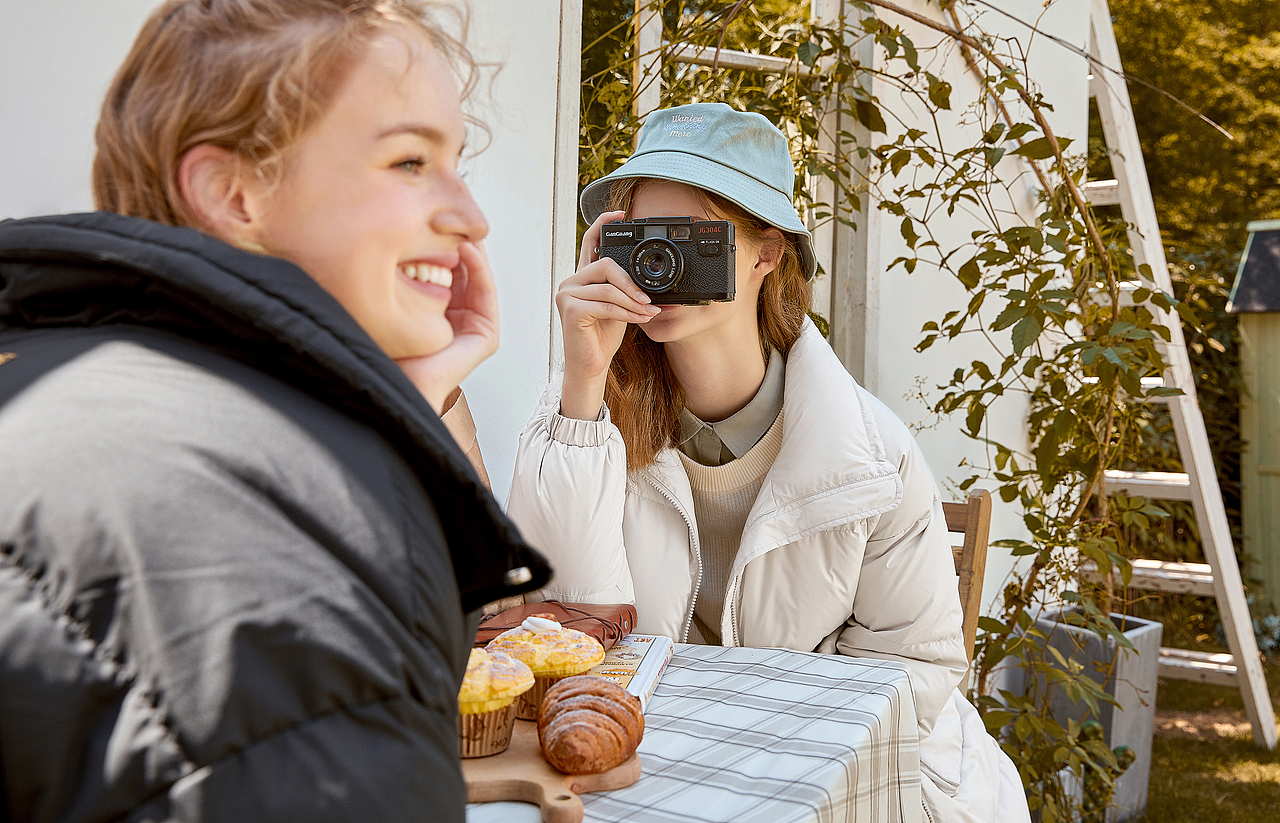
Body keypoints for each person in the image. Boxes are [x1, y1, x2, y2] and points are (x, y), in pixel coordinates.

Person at [0, 2, 550, 821]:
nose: (471, 217)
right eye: (409, 160)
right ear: (233, 193)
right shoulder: (252, 519)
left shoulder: (76, 385)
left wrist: (397, 405)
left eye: (457, 160)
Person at [506, 102, 1031, 822]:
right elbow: (556, 622)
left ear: (766, 253)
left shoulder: (871, 454)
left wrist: (733, 732)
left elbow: (912, 675)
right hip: (647, 761)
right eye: (642, 237)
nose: (661, 263)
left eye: (692, 237)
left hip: (816, 768)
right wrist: (584, 378)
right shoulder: (585, 414)